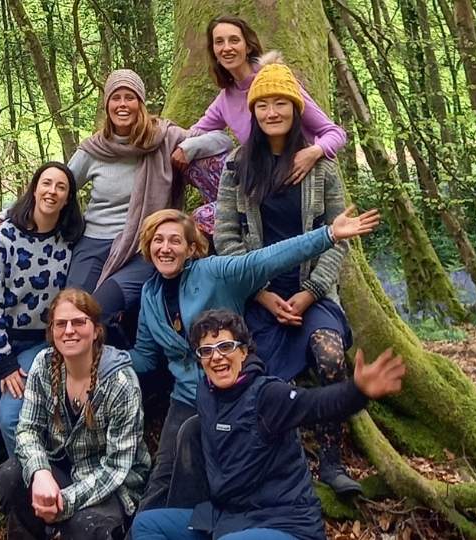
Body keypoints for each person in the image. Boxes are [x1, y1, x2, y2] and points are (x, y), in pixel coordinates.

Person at [130, 206, 380, 510]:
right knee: (163, 478)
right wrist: (96, 357)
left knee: (223, 481)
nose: (165, 248)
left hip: (233, 396)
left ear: (191, 248)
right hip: (186, 397)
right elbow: (144, 357)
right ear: (148, 245)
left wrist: (328, 234)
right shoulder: (150, 294)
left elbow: (268, 259)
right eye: (158, 240)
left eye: (175, 241)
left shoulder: (216, 273)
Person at [213, 61, 362, 494]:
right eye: (263, 105)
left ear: (296, 109)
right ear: (254, 112)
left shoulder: (320, 166)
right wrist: (259, 293)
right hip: (257, 298)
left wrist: (310, 294)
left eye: (281, 103)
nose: (272, 112)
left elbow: (339, 237)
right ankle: (277, 461)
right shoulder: (237, 167)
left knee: (331, 356)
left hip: (312, 296)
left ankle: (332, 460)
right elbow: (225, 238)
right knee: (255, 371)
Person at [130, 310, 406, 540]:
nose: (216, 357)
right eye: (206, 351)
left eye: (225, 347)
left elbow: (317, 404)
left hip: (282, 522)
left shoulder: (268, 395)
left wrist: (358, 391)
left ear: (244, 352)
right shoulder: (206, 392)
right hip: (226, 516)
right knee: (147, 525)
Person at [0, 163, 86, 539]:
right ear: (34, 188)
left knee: (12, 418)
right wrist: (3, 359)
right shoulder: (5, 234)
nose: (52, 191)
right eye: (46, 183)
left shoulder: (71, 239)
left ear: (68, 197)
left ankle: (33, 499)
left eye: (61, 187)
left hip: (38, 343)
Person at [65, 69, 233, 346]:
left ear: (140, 103)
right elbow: (56, 186)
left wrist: (189, 148)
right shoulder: (93, 149)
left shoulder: (163, 138)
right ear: (107, 105)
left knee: (100, 311)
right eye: (115, 97)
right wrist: (7, 215)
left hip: (142, 247)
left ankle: (126, 374)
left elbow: (222, 140)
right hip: (94, 242)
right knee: (73, 313)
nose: (122, 104)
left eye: (129, 97)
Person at [0, 289, 150, 540]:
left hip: (111, 485)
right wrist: (40, 473)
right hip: (63, 468)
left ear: (96, 329)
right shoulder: (43, 364)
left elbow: (116, 468)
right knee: (10, 475)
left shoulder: (121, 381)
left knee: (85, 526)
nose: (69, 330)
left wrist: (63, 502)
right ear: (52, 331)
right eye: (61, 324)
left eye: (79, 322)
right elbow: (27, 429)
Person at [173, 17, 349, 233]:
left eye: (234, 40)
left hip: (295, 177)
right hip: (260, 176)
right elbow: (193, 133)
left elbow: (334, 132)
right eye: (219, 42)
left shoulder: (274, 82)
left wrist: (313, 152)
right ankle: (236, 222)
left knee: (203, 219)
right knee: (195, 173)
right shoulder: (225, 98)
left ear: (248, 46)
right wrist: (159, 134)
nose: (227, 48)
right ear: (213, 51)